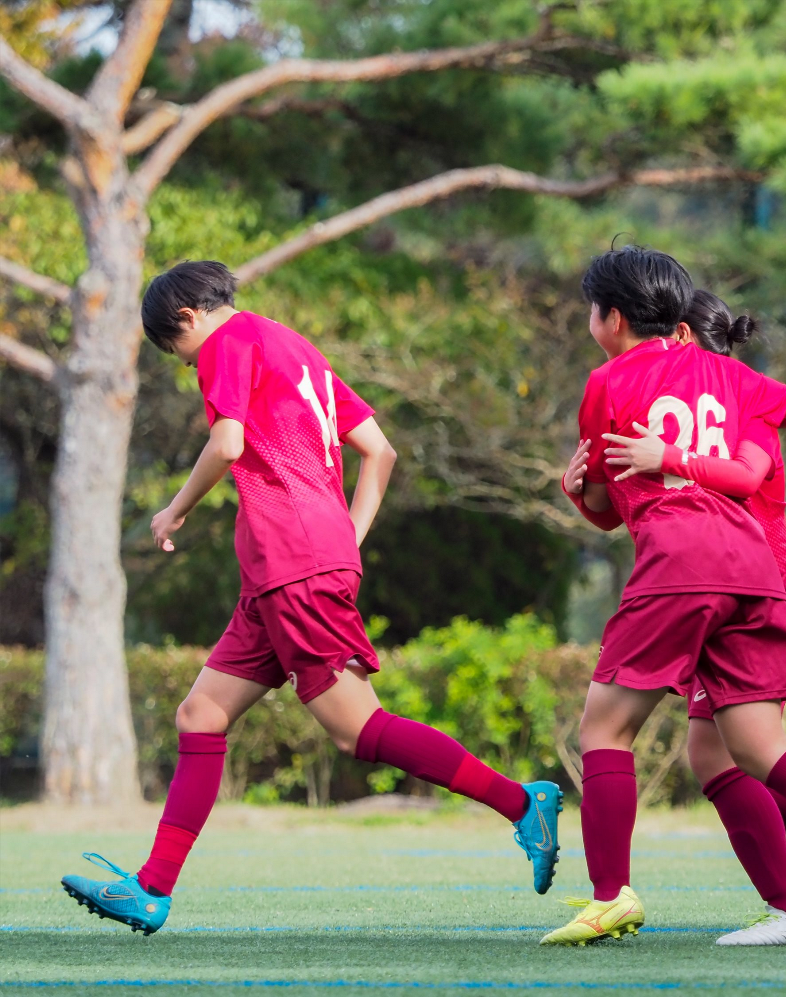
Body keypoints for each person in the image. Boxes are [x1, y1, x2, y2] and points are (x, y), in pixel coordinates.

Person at [60, 261, 562, 935]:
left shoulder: (225, 344)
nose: (190, 367)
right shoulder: (296, 349)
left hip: (292, 562)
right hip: (284, 568)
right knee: (200, 714)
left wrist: (174, 509)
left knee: (359, 729)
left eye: (178, 356)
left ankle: (519, 802)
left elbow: (228, 440)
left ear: (186, 319)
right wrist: (344, 537)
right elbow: (378, 452)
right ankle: (151, 889)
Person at [547, 246, 786, 947]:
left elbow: (617, 503)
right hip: (752, 567)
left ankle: (610, 896)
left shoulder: (605, 382)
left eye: (590, 309)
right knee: (752, 746)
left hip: (680, 563)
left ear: (611, 317)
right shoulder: (731, 375)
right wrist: (589, 493)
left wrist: (581, 489)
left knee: (605, 728)